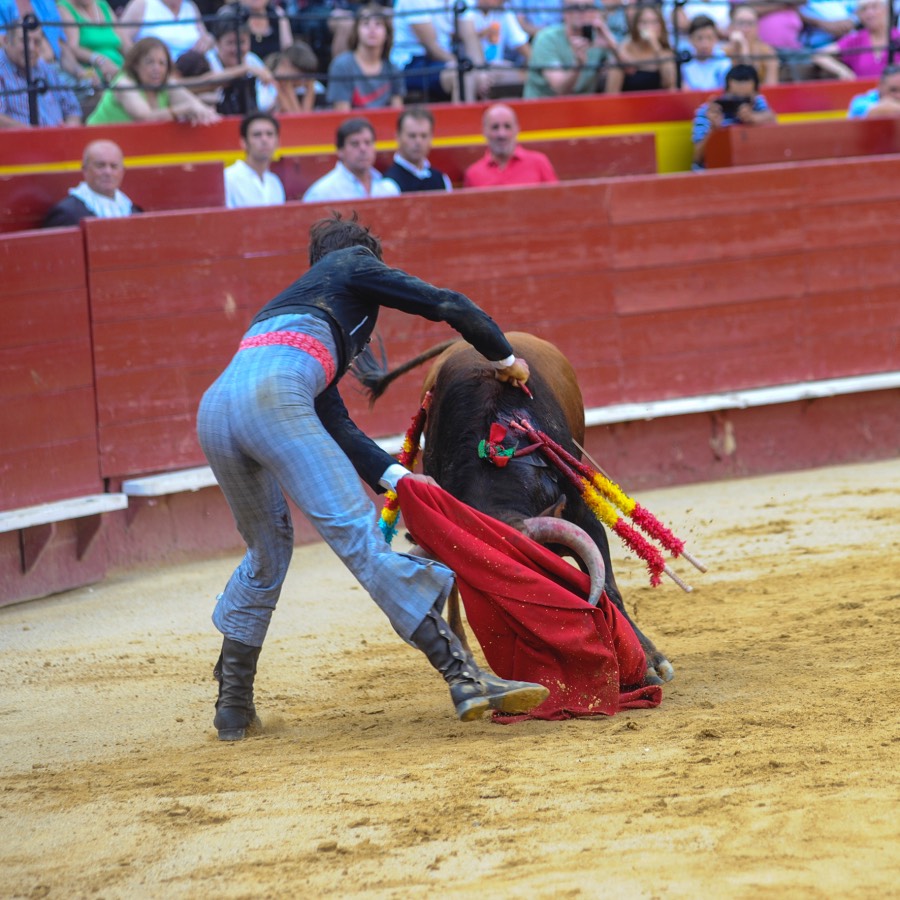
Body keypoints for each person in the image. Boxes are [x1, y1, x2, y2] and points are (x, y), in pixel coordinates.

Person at [197, 211, 549, 740]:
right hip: (274, 398)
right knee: (361, 541)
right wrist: (504, 356)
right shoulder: (352, 263)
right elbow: (449, 304)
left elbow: (335, 422)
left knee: (266, 552)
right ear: (363, 256)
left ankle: (232, 704)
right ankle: (463, 676)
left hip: (217, 409)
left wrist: (398, 479)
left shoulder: (290, 312)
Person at [87, 36, 220, 123]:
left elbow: (194, 105)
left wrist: (203, 112)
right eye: (150, 62)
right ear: (135, 64)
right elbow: (145, 118)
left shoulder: (167, 84)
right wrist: (184, 109)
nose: (157, 69)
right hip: (96, 143)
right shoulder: (124, 84)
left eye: (162, 63)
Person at [390, 0, 490, 102]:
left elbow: (470, 37)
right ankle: (465, 117)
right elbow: (432, 49)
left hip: (444, 62)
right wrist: (466, 66)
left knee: (502, 72)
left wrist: (480, 70)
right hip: (410, 64)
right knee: (462, 75)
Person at [523, 0, 620, 99]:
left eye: (587, 7)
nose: (582, 12)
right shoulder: (547, 38)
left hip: (584, 107)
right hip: (545, 107)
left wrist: (613, 47)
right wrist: (578, 64)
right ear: (564, 12)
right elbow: (560, 90)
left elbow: (631, 70)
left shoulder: (598, 37)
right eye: (575, 7)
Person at [691, 63, 777, 169]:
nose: (740, 103)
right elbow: (697, 158)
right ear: (725, 92)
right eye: (735, 98)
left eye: (745, 98)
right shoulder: (708, 111)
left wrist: (754, 118)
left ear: (756, 93)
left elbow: (772, 118)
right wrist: (714, 130)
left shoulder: (757, 103)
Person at [200, 3, 278, 115]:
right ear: (217, 43)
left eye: (242, 42)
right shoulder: (206, 60)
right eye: (230, 43)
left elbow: (270, 96)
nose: (237, 49)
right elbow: (207, 83)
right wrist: (245, 69)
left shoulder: (252, 59)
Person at [0, 22, 82, 126]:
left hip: (59, 138)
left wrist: (69, 129)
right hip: (20, 140)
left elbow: (72, 108)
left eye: (37, 42)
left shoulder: (43, 67)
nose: (31, 48)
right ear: (6, 41)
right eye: (24, 40)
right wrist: (34, 135)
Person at [326, 3, 405, 109]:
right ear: (356, 31)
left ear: (387, 34)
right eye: (365, 24)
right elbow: (341, 114)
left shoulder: (393, 69)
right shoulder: (341, 66)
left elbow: (397, 112)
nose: (372, 29)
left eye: (378, 24)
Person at [42, 139, 137, 227]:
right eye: (100, 166)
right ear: (85, 169)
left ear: (123, 171)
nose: (108, 172)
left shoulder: (133, 211)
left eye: (114, 166)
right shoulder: (66, 214)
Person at [302, 116, 400, 201]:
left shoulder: (389, 189)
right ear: (340, 150)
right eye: (355, 144)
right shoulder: (322, 193)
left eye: (368, 142)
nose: (363, 149)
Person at [463, 102, 559, 188]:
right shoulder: (473, 174)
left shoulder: (539, 163)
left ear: (517, 129)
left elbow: (557, 201)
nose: (502, 134)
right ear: (484, 132)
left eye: (507, 126)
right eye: (495, 127)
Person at [813, 0, 900, 80]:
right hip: (862, 93)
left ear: (887, 10)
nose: (869, 13)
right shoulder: (856, 40)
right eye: (863, 9)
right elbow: (819, 55)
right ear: (859, 15)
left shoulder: (897, 36)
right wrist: (843, 71)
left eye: (875, 7)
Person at [604, 2, 676, 93]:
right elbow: (611, 92)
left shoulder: (666, 52)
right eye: (644, 22)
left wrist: (655, 45)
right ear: (636, 25)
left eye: (655, 22)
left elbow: (670, 83)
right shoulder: (625, 49)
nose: (649, 27)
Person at [382, 105, 453, 193]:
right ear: (398, 137)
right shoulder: (388, 186)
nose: (418, 142)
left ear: (431, 138)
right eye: (412, 136)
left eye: (424, 136)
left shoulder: (442, 180)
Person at [58, 0, 130, 84]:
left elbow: (126, 45)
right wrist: (99, 60)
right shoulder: (65, 7)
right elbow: (72, 47)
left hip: (120, 69)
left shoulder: (102, 5)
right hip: (95, 73)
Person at [225, 111, 286, 208]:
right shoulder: (228, 179)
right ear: (243, 142)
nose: (264, 139)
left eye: (269, 134)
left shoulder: (275, 182)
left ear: (277, 142)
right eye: (257, 135)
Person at [120, 0, 215, 61]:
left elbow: (206, 36)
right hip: (160, 76)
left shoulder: (190, 6)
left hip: (198, 69)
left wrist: (208, 40)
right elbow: (120, 37)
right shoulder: (142, 5)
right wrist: (139, 62)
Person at [472, 0, 531, 95]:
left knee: (522, 76)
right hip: (468, 66)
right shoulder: (466, 5)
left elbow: (520, 43)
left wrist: (535, 69)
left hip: (497, 67)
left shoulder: (504, 9)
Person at [723, 5, 779, 87]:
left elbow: (771, 88)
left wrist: (744, 47)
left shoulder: (768, 52)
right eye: (741, 23)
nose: (746, 29)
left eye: (750, 23)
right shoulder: (722, 52)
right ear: (732, 26)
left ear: (757, 27)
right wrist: (742, 46)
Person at [680, 14, 732, 91]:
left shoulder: (724, 61)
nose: (705, 44)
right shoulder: (684, 61)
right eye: (699, 38)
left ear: (716, 39)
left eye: (709, 38)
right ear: (690, 39)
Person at [266, 40, 319, 111]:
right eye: (300, 74)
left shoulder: (312, 86)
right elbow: (295, 117)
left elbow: (303, 119)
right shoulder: (264, 85)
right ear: (286, 63)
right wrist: (286, 88)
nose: (303, 80)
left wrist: (310, 88)